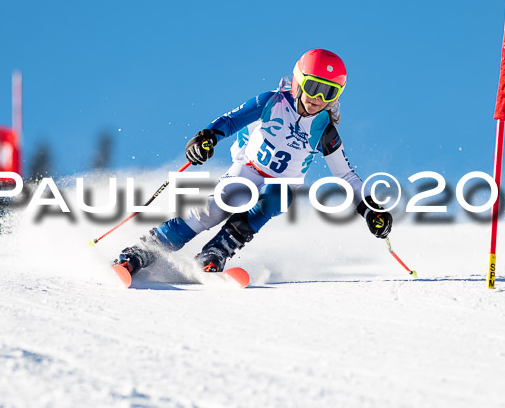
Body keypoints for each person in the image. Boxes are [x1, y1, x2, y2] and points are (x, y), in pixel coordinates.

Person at [114, 49, 393, 276]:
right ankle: (141, 253)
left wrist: (371, 210)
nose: (318, 99)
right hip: (248, 168)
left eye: (328, 93)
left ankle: (217, 251)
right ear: (298, 82)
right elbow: (231, 120)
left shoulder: (325, 129)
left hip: (283, 182)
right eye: (314, 87)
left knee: (277, 198)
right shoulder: (271, 102)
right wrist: (206, 137)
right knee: (212, 209)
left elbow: (345, 176)